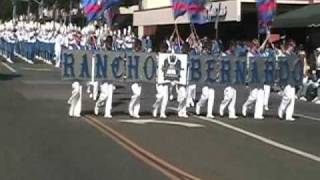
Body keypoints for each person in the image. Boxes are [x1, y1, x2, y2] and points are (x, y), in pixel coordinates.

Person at [242, 33, 270, 120]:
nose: (256, 47)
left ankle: (258, 114)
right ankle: (245, 105)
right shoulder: (249, 54)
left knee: (261, 95)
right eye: (254, 45)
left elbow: (262, 47)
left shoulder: (258, 52)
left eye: (257, 45)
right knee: (254, 95)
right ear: (252, 46)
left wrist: (266, 38)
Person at [278, 40, 297, 121]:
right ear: (288, 46)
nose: (292, 48)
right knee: (288, 97)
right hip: (286, 78)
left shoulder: (293, 55)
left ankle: (288, 115)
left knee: (292, 98)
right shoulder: (283, 54)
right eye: (292, 46)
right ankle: (281, 108)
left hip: (293, 78)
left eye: (293, 47)